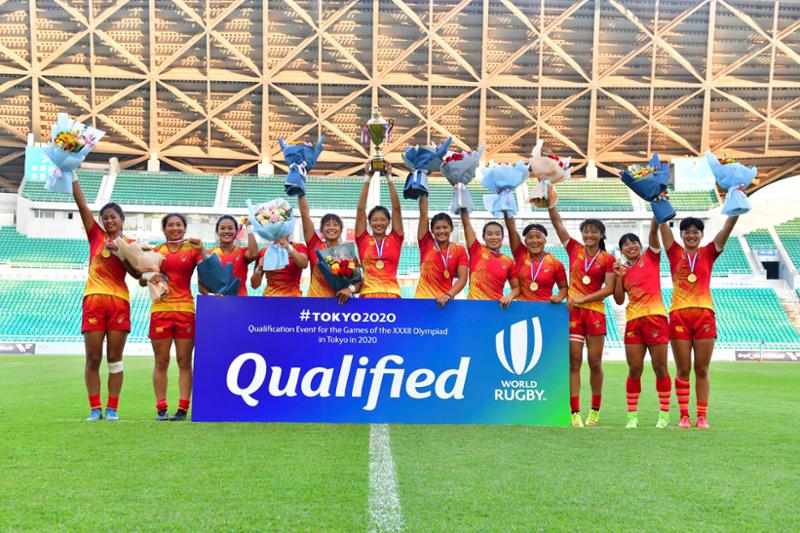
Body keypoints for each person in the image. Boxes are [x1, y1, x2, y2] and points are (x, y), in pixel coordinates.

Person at [660, 215, 738, 429]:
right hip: (679, 316)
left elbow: (728, 227)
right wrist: (658, 203)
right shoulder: (674, 252)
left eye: (696, 232)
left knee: (702, 369)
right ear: (681, 235)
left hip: (704, 316)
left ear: (702, 235)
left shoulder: (710, 252)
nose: (691, 235)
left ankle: (702, 416)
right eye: (687, 232)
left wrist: (737, 208)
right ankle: (684, 416)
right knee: (683, 369)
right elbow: (662, 225)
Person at [547, 187, 615, 427]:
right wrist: (551, 203)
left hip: (595, 313)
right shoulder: (574, 249)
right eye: (586, 231)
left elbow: (609, 289)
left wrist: (582, 299)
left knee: (595, 362)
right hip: (573, 314)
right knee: (573, 363)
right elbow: (557, 224)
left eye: (594, 231)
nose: (589, 235)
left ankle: (594, 410)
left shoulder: (608, 259)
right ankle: (574, 411)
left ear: (601, 235)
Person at [72, 179, 138, 421]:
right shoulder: (95, 235)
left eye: (113, 217)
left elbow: (137, 274)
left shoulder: (130, 244)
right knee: (93, 358)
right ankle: (95, 408)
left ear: (122, 220)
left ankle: (112, 408)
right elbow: (82, 206)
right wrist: (72, 176)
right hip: (93, 301)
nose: (109, 221)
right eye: (105, 218)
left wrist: (121, 254)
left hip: (119, 302)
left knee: (114, 359)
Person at [142, 213, 206, 421]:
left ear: (185, 228)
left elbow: (208, 270)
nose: (175, 228)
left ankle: (182, 409)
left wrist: (202, 250)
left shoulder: (192, 250)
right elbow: (142, 281)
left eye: (179, 224)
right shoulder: (156, 252)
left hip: (186, 310)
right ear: (164, 229)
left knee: (184, 361)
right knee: (161, 361)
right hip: (161, 310)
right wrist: (149, 275)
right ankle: (161, 408)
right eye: (171, 225)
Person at [612, 218, 671, 429]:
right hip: (634, 321)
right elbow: (619, 300)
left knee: (660, 368)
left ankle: (664, 415)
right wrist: (618, 277)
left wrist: (656, 216)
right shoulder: (622, 270)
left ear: (640, 244)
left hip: (656, 318)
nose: (631, 246)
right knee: (635, 369)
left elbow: (653, 235)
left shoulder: (651, 256)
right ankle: (632, 417)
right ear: (622, 251)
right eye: (626, 244)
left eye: (634, 242)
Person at [354, 166, 404, 299]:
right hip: (367, 296)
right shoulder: (362, 239)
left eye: (383, 220)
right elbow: (360, 209)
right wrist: (368, 177)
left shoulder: (396, 238)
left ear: (389, 222)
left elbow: (396, 208)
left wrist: (389, 177)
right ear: (369, 222)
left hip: (392, 295)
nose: (379, 223)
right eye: (375, 220)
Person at [414, 195, 468, 306]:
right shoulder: (426, 243)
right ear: (432, 231)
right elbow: (423, 214)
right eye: (437, 228)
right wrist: (423, 192)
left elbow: (462, 279)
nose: (441, 231)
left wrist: (448, 295)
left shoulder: (459, 250)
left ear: (451, 229)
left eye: (445, 227)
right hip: (422, 301)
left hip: (446, 303)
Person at [504, 214, 567, 304]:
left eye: (538, 237)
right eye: (530, 237)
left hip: (545, 308)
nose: (534, 241)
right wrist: (507, 211)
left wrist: (559, 297)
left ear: (545, 240)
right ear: (525, 241)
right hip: (522, 308)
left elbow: (564, 287)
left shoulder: (556, 264)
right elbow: (511, 229)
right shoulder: (521, 255)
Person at [460, 210, 517, 307]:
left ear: (502, 237)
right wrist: (463, 205)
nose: (494, 237)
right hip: (473, 306)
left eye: (497, 234)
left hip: (496, 308)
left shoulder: (509, 262)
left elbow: (516, 288)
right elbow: (466, 224)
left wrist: (510, 296)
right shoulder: (476, 250)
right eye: (489, 234)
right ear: (483, 237)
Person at [298, 191, 346, 299]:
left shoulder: (347, 252)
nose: (331, 228)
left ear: (341, 229)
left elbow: (357, 281)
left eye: (335, 225)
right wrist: (300, 192)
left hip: (338, 303)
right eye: (327, 225)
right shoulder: (315, 244)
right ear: (321, 230)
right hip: (314, 301)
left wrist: (349, 289)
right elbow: (304, 214)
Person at [204, 215, 258, 296]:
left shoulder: (242, 252)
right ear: (217, 231)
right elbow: (203, 283)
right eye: (222, 228)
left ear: (236, 231)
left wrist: (249, 227)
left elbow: (253, 254)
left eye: (230, 228)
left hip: (240, 301)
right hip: (218, 301)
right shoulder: (209, 254)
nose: (226, 231)